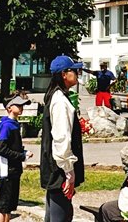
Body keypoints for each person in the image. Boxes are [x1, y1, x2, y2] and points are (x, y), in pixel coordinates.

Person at [40, 55, 85, 222]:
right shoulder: (59, 101)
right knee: (61, 216)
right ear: (64, 74)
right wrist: (68, 171)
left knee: (54, 214)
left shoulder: (55, 96)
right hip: (59, 168)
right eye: (74, 70)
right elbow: (61, 138)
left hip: (55, 166)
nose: (78, 73)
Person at [0, 95, 33, 222]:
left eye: (22, 105)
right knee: (3, 206)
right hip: (7, 171)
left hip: (14, 170)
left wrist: (23, 151)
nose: (22, 108)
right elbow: (2, 149)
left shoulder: (14, 124)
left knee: (10, 206)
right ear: (9, 108)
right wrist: (21, 156)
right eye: (18, 105)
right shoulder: (7, 126)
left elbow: (13, 146)